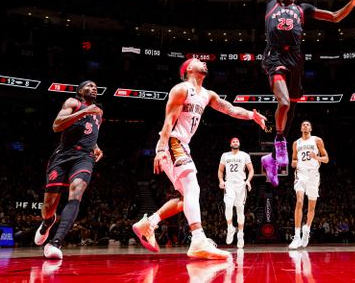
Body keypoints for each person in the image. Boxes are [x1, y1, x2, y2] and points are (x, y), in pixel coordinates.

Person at [132, 58, 267, 259]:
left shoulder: (207, 94)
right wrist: (160, 149)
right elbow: (168, 121)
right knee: (193, 188)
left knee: (186, 197)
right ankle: (198, 239)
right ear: (188, 69)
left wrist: (251, 115)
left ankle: (149, 223)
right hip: (173, 142)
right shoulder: (182, 89)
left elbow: (230, 108)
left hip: (182, 145)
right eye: (197, 60)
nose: (203, 61)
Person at [258, 0, 355, 186]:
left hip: (295, 59)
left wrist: (352, 3)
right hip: (274, 54)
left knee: (293, 106)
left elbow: (335, 17)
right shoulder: (271, 3)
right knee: (284, 103)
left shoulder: (303, 9)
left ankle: (272, 158)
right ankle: (278, 141)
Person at [34, 80, 104, 260]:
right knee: (49, 207)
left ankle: (55, 243)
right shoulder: (73, 103)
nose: (93, 88)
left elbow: (89, 131)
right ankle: (48, 221)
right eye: (89, 86)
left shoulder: (99, 112)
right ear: (80, 91)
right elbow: (57, 125)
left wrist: (96, 147)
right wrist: (84, 111)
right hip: (64, 155)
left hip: (84, 157)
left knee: (77, 193)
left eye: (95, 87)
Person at [288, 121, 329, 249]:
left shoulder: (317, 140)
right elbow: (293, 160)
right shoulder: (296, 143)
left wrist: (317, 157)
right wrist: (293, 163)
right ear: (301, 128)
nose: (305, 126)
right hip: (301, 174)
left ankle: (307, 230)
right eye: (303, 125)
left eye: (307, 125)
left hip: (313, 175)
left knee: (311, 207)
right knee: (299, 202)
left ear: (310, 128)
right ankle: (296, 236)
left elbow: (326, 159)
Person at [218, 137, 254, 248]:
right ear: (230, 144)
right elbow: (220, 170)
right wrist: (221, 181)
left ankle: (240, 234)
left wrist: (248, 181)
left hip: (241, 184)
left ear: (239, 143)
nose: (235, 142)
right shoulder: (225, 155)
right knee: (228, 205)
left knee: (240, 210)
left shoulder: (244, 155)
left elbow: (251, 170)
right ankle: (230, 228)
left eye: (237, 141)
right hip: (229, 183)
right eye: (233, 141)